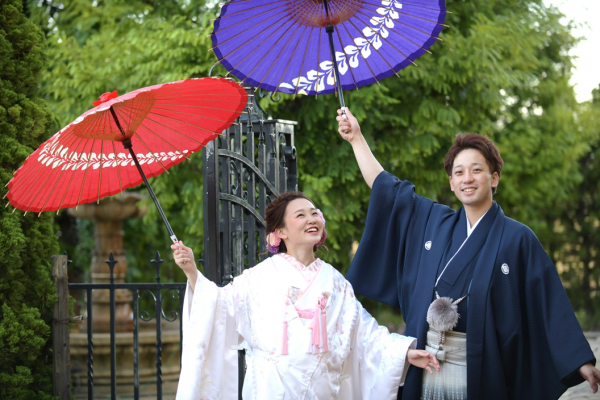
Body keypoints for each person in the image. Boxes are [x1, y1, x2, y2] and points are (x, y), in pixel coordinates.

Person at [337, 107, 600, 400]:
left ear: (494, 178)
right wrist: (357, 138)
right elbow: (386, 188)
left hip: (482, 366)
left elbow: (549, 299)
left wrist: (579, 359)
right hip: (426, 362)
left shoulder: (517, 238)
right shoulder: (433, 222)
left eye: (477, 170)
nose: (467, 178)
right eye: (459, 172)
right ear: (451, 183)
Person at [172, 191, 440, 400]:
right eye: (300, 215)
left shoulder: (335, 282)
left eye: (314, 213)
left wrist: (402, 353)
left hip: (322, 390)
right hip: (272, 389)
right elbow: (220, 306)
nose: (312, 219)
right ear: (280, 232)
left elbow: (364, 333)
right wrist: (192, 271)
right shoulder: (260, 276)